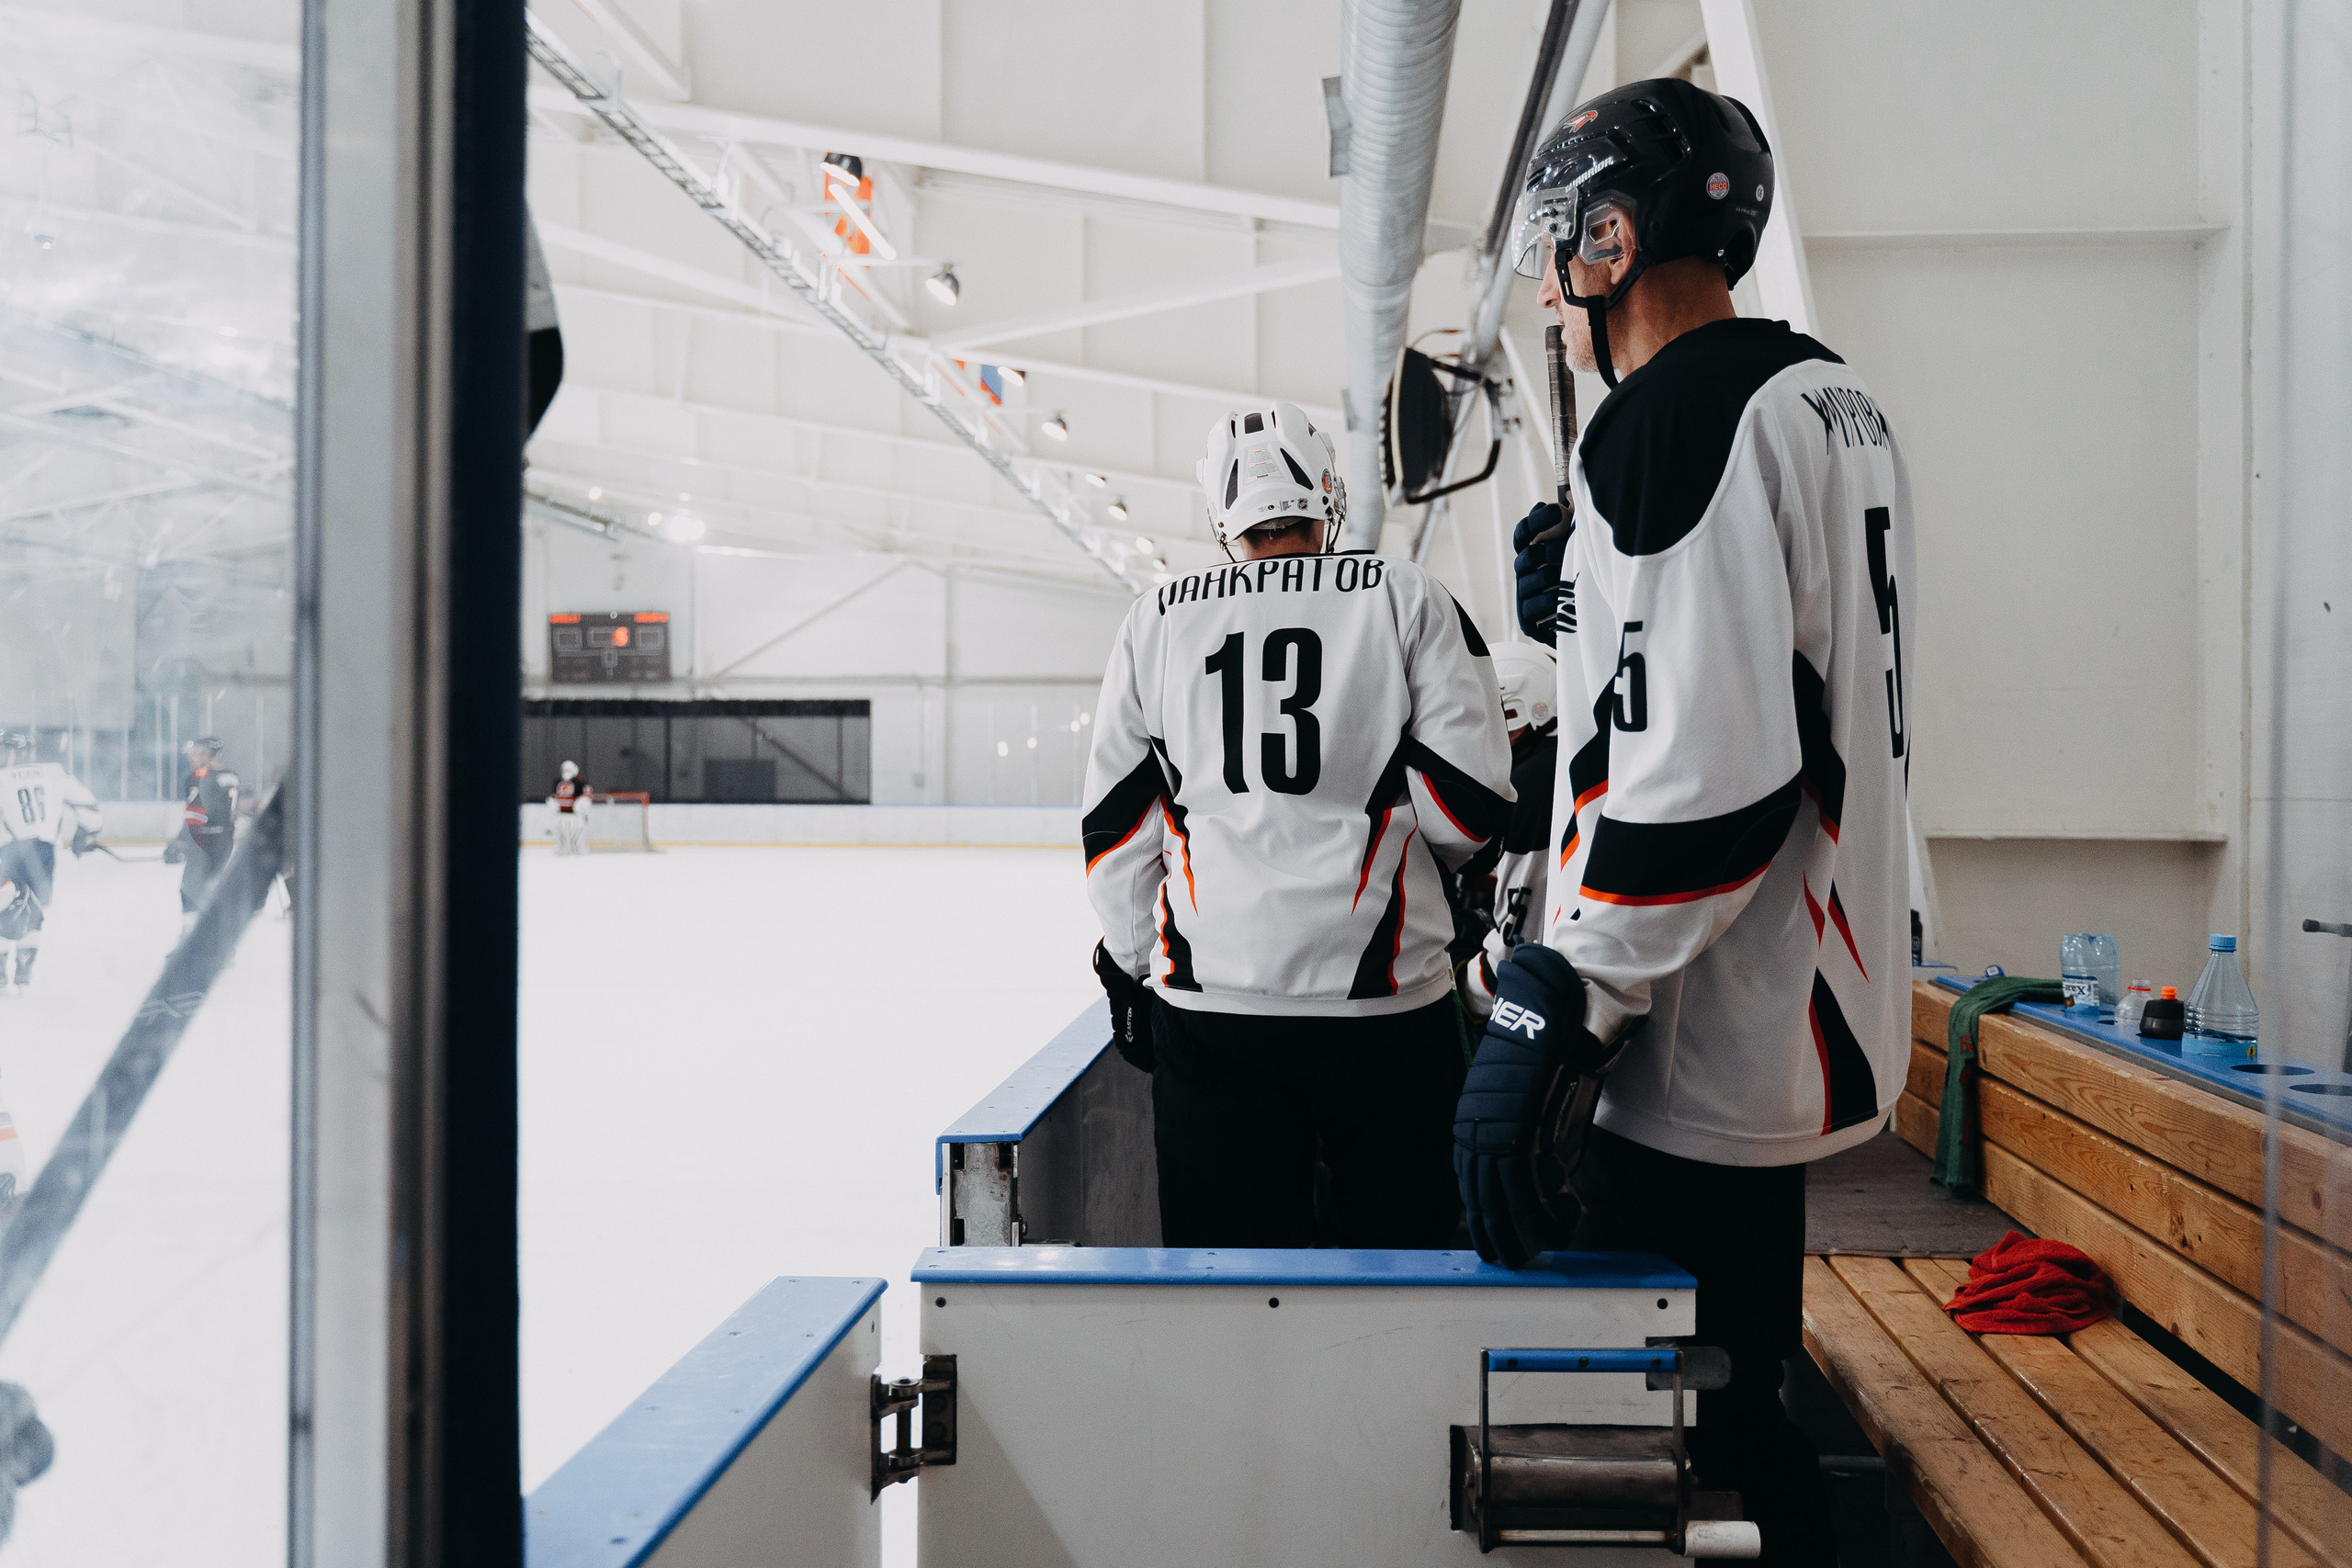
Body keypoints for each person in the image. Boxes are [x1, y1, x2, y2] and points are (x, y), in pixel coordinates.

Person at [1453, 79, 1916, 1566]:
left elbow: (1708, 778)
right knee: (1744, 1381)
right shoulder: (1825, 392)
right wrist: (1590, 598)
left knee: (1664, 1436)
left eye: (1554, 243)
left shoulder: (1670, 421)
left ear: (1609, 237)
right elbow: (1758, 656)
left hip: (1701, 1021)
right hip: (1812, 998)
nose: (1543, 279)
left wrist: (1559, 1001)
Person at [1081, 400, 1514, 1250]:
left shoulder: (1156, 618)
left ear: (1221, 519)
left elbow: (1117, 830)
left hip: (1212, 1016)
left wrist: (1138, 968)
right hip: (1388, 1014)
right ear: (1327, 495)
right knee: (1403, 1271)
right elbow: (1470, 810)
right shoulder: (1406, 595)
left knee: (1228, 1287)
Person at [1455, 643, 1556, 1021]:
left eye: (1498, 717)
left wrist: (1461, 984)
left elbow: (1518, 953)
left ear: (1534, 707)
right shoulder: (1563, 766)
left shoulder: (1530, 792)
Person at [0, 730, 102, 990]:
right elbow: (89, 807)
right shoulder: (54, 773)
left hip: (8, 853)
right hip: (44, 852)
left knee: (4, 907)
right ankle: (24, 968)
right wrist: (86, 833)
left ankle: (0, 972)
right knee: (34, 911)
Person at [175, 736, 239, 934]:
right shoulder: (230, 775)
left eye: (196, 752)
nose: (192, 756)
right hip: (224, 841)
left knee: (191, 890)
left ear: (208, 754)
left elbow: (196, 815)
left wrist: (179, 841)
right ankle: (220, 939)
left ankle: (193, 938)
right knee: (210, 890)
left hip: (204, 841)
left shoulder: (199, 777)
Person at [548, 760, 592, 856]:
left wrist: (582, 806)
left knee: (577, 838)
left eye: (568, 770)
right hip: (561, 816)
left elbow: (587, 797)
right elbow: (554, 797)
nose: (566, 772)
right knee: (560, 837)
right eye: (564, 770)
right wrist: (552, 803)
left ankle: (579, 853)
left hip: (575, 817)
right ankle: (561, 851)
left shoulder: (580, 783)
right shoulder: (558, 782)